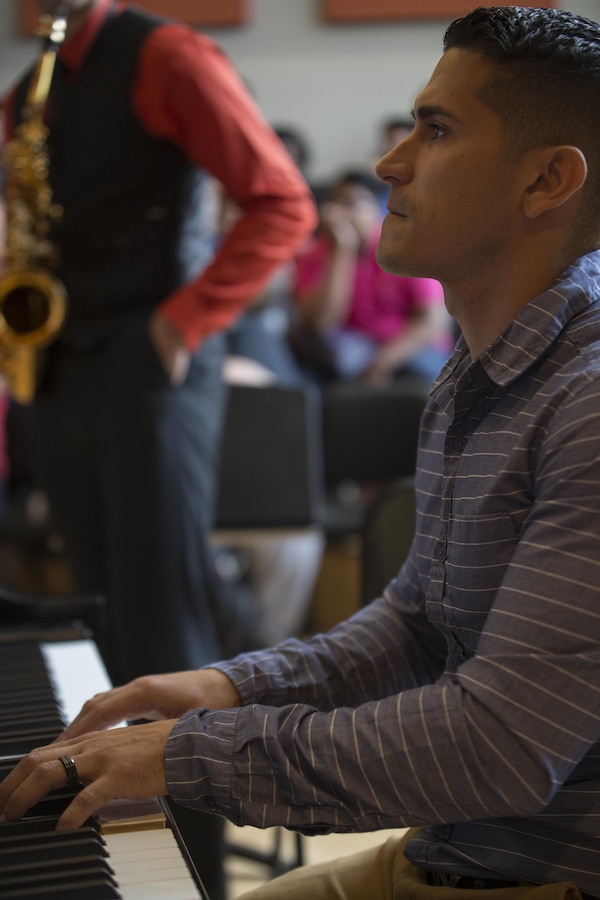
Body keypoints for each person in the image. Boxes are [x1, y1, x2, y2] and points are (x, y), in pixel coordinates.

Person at [3, 6, 600, 900]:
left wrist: (190, 754)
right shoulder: (480, 367)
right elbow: (416, 623)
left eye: (435, 131)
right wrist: (226, 686)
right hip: (451, 856)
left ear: (547, 179)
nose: (390, 162)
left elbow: (500, 749)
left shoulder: (588, 400)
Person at [0, 0, 315, 896]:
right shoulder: (38, 77)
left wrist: (179, 329)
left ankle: (199, 878)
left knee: (161, 633)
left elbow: (280, 202)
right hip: (58, 368)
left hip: (151, 364)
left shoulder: (168, 55)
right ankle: (121, 860)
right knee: (101, 617)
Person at [289, 169, 453, 385]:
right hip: (348, 349)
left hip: (406, 348)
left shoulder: (406, 251)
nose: (341, 214)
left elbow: (431, 322)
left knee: (425, 374)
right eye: (336, 204)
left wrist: (382, 361)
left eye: (352, 204)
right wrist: (340, 253)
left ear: (378, 211)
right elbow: (322, 324)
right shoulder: (314, 254)